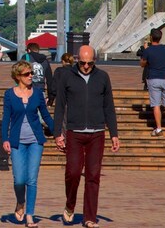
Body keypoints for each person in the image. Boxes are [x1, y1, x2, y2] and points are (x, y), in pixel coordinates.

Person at [53, 45, 120, 228]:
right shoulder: (67, 76)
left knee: (93, 176)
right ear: (76, 60)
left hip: (96, 133)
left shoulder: (102, 77)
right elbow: (59, 106)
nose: (85, 66)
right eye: (82, 63)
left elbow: (109, 106)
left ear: (94, 61)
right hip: (74, 132)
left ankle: (90, 217)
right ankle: (70, 204)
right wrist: (57, 133)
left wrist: (114, 133)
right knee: (73, 172)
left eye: (89, 63)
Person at [1, 60, 55, 228]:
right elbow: (5, 119)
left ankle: (30, 215)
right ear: (18, 76)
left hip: (35, 141)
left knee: (31, 179)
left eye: (31, 73)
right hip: (17, 142)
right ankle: (20, 203)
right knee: (19, 180)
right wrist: (5, 139)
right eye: (27, 74)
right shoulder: (9, 95)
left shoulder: (38, 93)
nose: (31, 76)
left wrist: (58, 133)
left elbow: (45, 115)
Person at [140, 28, 165, 137]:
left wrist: (145, 50)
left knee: (156, 105)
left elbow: (142, 64)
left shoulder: (148, 50)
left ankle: (159, 129)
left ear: (151, 37)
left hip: (154, 79)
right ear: (160, 38)